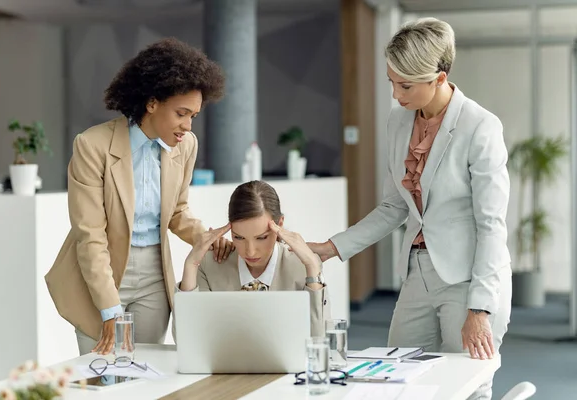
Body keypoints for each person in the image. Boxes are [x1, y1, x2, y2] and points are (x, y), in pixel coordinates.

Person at [308, 18, 511, 400]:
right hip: (416, 270)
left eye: (406, 85)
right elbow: (392, 207)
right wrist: (331, 248)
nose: (396, 95)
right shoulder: (399, 121)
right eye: (391, 82)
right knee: (396, 377)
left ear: (439, 77)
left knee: (467, 387)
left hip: (467, 279)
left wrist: (480, 309)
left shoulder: (481, 126)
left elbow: (492, 225)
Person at [45, 38, 233, 356]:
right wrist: (108, 309)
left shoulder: (185, 146)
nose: (187, 126)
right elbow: (89, 235)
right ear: (151, 103)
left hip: (154, 273)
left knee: (146, 373)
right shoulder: (92, 146)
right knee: (99, 373)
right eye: (181, 113)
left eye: (194, 116)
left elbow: (177, 212)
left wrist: (210, 238)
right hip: (100, 271)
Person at [177, 180, 331, 336]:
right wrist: (191, 264)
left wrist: (312, 266)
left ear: (280, 224)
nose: (250, 252)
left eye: (261, 238)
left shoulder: (302, 267)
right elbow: (186, 338)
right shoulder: (211, 265)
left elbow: (320, 341)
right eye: (239, 237)